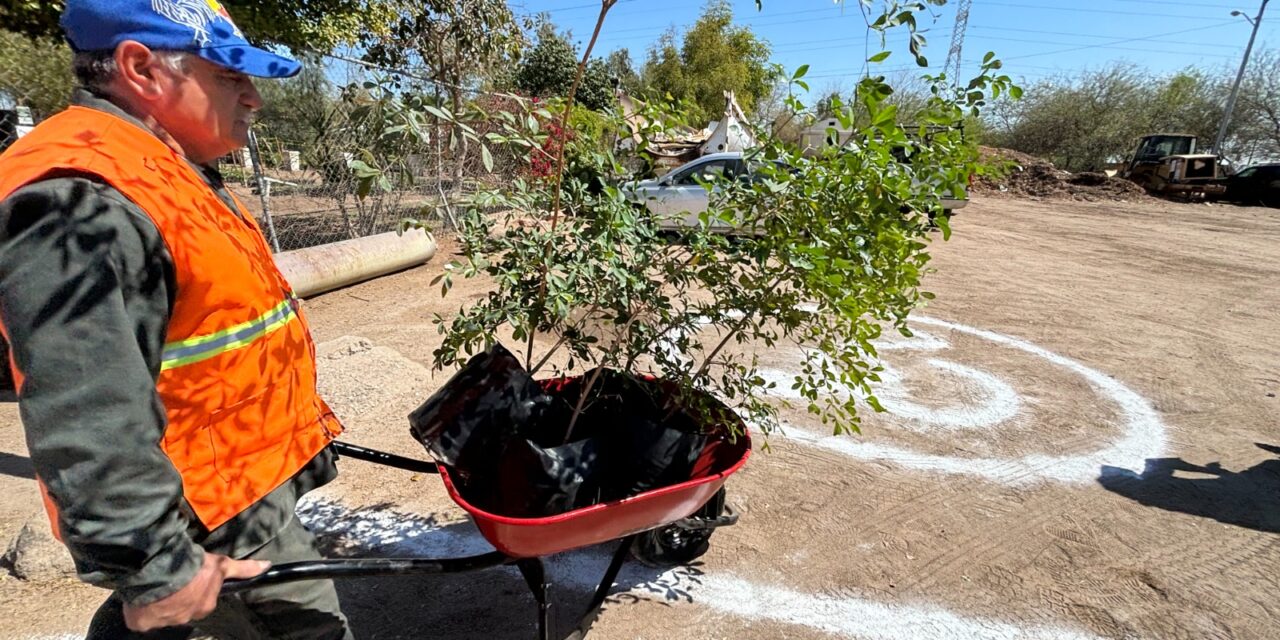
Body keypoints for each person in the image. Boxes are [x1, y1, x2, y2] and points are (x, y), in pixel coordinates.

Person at [0, 1, 351, 638]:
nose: (254, 100)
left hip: (233, 486)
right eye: (229, 77)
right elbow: (84, 404)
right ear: (141, 68)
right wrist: (155, 566)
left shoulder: (160, 170)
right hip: (206, 503)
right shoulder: (80, 199)